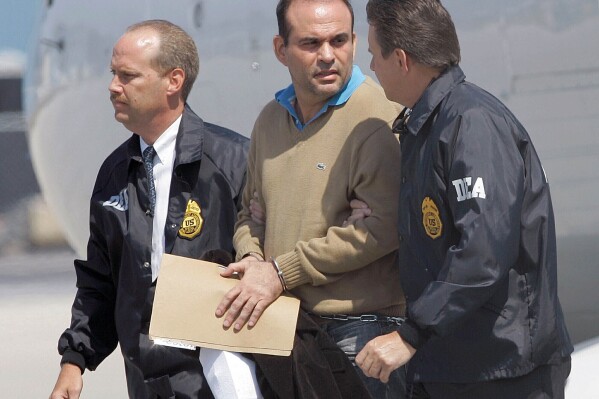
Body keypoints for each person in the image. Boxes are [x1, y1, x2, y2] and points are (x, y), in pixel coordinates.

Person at [354, 1, 574, 398]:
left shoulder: (471, 124)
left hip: (501, 371)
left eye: (373, 54)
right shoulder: (429, 126)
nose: (371, 66)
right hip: (454, 365)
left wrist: (412, 335)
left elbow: (483, 251)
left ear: (401, 59)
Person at [215, 0, 406, 397]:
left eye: (339, 41)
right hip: (286, 328)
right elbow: (251, 213)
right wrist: (251, 260)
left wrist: (281, 271)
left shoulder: (377, 117)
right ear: (280, 49)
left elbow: (379, 229)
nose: (327, 56)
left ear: (355, 41)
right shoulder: (270, 119)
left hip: (359, 334)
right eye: (310, 43)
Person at [49, 20, 248, 398]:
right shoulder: (114, 173)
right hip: (146, 381)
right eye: (113, 74)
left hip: (219, 380)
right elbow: (99, 282)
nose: (113, 86)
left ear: (174, 81)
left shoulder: (234, 163)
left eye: (127, 76)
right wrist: (74, 362)